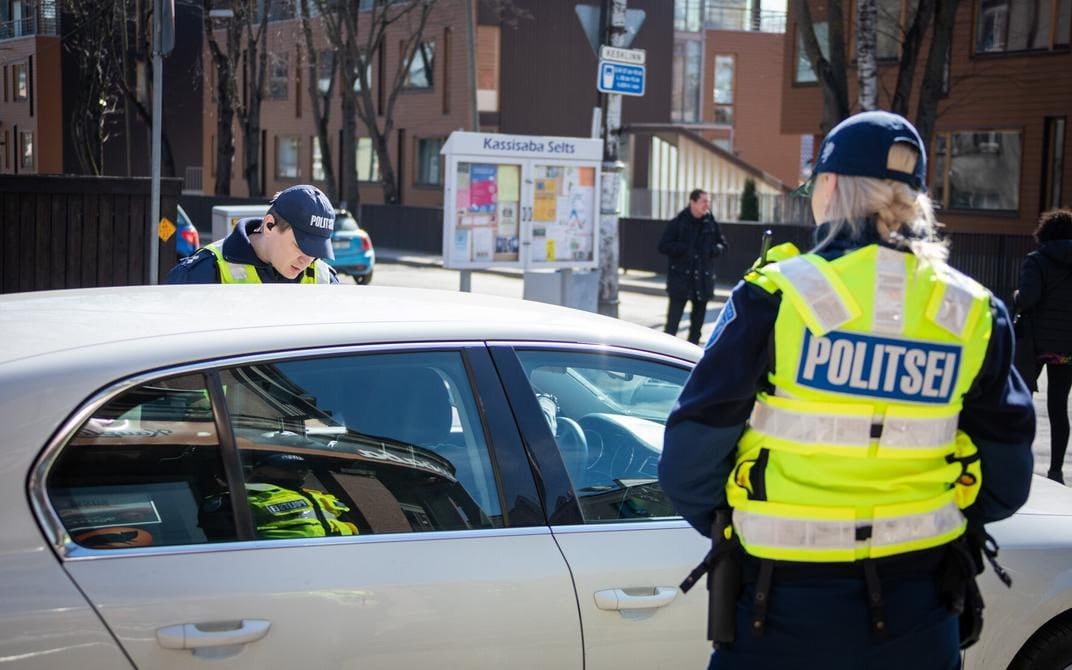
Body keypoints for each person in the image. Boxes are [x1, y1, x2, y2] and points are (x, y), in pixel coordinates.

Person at [659, 111, 1035, 669]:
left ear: (830, 185)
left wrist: (749, 517)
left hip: (779, 609)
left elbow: (688, 467)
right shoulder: (972, 312)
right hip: (921, 608)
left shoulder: (776, 296)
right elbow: (1006, 483)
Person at [167, 184, 339, 284]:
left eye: (315, 252)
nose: (307, 261)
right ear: (269, 225)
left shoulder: (324, 278)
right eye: (301, 246)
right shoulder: (201, 273)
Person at [1014, 208, 1072, 484]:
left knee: (1022, 401)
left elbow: (1027, 299)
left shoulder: (1037, 261)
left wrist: (1016, 295)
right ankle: (1056, 470)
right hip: (1068, 347)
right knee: (1058, 406)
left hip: (1037, 345)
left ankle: (1019, 460)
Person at [201, 453, 358, 539]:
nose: (300, 471)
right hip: (283, 567)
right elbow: (226, 544)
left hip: (348, 559)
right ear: (260, 470)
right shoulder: (237, 497)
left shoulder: (322, 496)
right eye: (289, 467)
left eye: (303, 468)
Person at [659, 189, 728, 344]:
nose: (707, 205)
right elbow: (663, 246)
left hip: (702, 282)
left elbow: (723, 244)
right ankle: (665, 356)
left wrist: (714, 250)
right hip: (681, 281)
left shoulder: (710, 223)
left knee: (696, 329)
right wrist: (683, 249)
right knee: (672, 326)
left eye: (708, 201)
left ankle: (689, 361)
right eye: (704, 201)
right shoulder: (678, 222)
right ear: (693, 202)